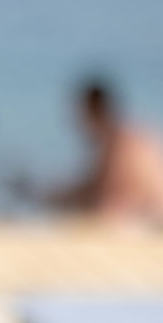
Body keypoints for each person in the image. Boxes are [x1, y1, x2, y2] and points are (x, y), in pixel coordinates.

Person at [26, 78, 163, 224]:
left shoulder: (121, 145)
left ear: (93, 112)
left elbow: (110, 200)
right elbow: (95, 186)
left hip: (150, 226)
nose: (79, 123)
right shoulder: (129, 135)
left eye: (82, 115)